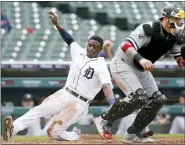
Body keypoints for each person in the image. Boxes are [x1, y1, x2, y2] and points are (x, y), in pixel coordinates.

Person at [3, 11, 115, 141]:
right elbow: (69, 39)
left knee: (53, 132)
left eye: (95, 47)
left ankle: (74, 135)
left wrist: (112, 103)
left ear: (100, 49)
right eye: (89, 45)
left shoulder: (101, 66)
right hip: (64, 93)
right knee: (39, 109)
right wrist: (57, 24)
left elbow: (107, 86)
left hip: (79, 103)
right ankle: (13, 129)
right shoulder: (79, 52)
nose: (91, 48)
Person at [93, 4, 185, 143]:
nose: (178, 23)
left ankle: (133, 134)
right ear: (166, 18)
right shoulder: (148, 28)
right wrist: (141, 59)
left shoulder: (175, 37)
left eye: (180, 20)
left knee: (158, 100)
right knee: (139, 98)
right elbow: (125, 46)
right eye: (176, 19)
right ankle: (104, 120)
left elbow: (180, 61)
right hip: (123, 63)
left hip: (141, 69)